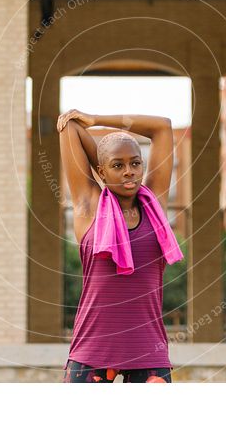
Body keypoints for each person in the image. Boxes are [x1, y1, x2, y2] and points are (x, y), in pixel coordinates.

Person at [57, 110, 176, 383]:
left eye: (135, 164)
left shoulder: (154, 204)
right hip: (92, 351)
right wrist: (104, 158)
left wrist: (96, 120)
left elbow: (162, 127)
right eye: (118, 165)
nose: (129, 173)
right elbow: (70, 127)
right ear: (101, 171)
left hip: (149, 352)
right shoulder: (89, 206)